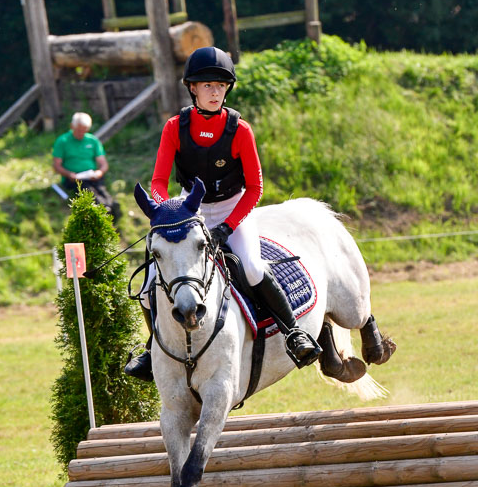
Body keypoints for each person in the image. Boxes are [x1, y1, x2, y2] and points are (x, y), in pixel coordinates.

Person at [125, 46, 321, 381]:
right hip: (191, 208)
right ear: (193, 89)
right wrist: (166, 209)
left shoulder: (240, 130)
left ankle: (294, 333)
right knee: (147, 288)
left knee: (254, 269)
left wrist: (227, 227)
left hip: (235, 208)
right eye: (207, 86)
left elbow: (255, 189)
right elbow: (159, 181)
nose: (215, 92)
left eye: (220, 86)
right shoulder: (175, 127)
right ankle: (150, 349)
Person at [52, 112, 121, 222]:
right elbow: (56, 166)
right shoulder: (62, 141)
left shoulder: (93, 140)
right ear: (72, 127)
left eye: (84, 130)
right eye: (78, 130)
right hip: (73, 178)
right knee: (88, 190)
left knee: (101, 189)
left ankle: (111, 205)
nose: (81, 133)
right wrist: (69, 174)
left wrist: (99, 172)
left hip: (91, 175)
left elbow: (103, 164)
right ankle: (104, 208)